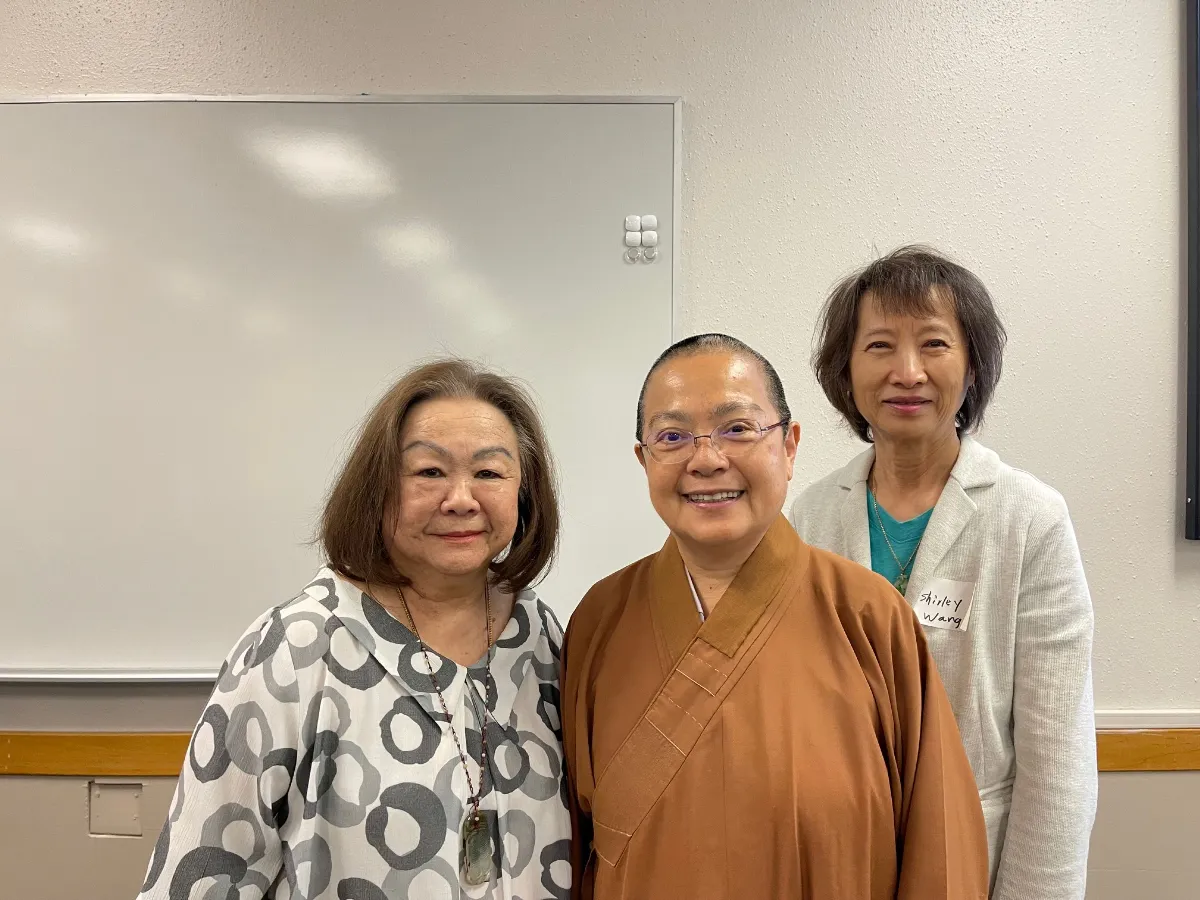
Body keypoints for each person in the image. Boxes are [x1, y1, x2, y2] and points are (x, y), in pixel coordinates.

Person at [561, 333, 989, 900]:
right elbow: (570, 843)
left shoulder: (867, 616)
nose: (707, 459)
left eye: (737, 429)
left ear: (788, 447)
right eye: (672, 436)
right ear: (644, 459)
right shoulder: (600, 620)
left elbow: (941, 845)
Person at [136, 359, 572, 900]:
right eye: (429, 472)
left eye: (489, 473)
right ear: (378, 488)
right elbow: (202, 874)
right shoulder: (295, 647)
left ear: (524, 493)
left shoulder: (542, 637)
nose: (461, 498)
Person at [791, 245, 1097, 899]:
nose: (908, 372)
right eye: (879, 346)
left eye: (934, 344)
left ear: (972, 365)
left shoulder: (1029, 519)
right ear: (845, 369)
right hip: (841, 859)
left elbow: (1058, 759)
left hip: (976, 859)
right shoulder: (811, 516)